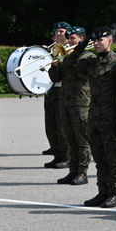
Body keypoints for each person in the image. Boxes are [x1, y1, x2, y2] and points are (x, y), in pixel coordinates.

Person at [69, 27, 116, 207]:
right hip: (94, 117)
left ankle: (114, 193)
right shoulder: (92, 63)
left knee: (112, 158)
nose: (97, 43)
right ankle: (102, 191)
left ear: (110, 41)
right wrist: (79, 49)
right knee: (99, 157)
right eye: (94, 41)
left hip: (111, 118)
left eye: (100, 40)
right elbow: (69, 65)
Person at [48, 26, 93, 186]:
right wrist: (54, 64)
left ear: (81, 39)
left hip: (81, 103)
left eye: (72, 38)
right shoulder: (66, 56)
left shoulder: (88, 56)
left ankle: (82, 172)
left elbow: (82, 71)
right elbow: (55, 77)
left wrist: (69, 57)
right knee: (70, 139)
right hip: (65, 102)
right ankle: (72, 171)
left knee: (82, 140)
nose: (69, 41)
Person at [43, 22, 70, 168]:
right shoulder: (51, 48)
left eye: (61, 31)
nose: (58, 33)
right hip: (51, 90)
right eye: (57, 31)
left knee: (62, 126)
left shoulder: (71, 49)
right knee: (50, 125)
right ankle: (56, 154)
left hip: (63, 90)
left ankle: (66, 157)